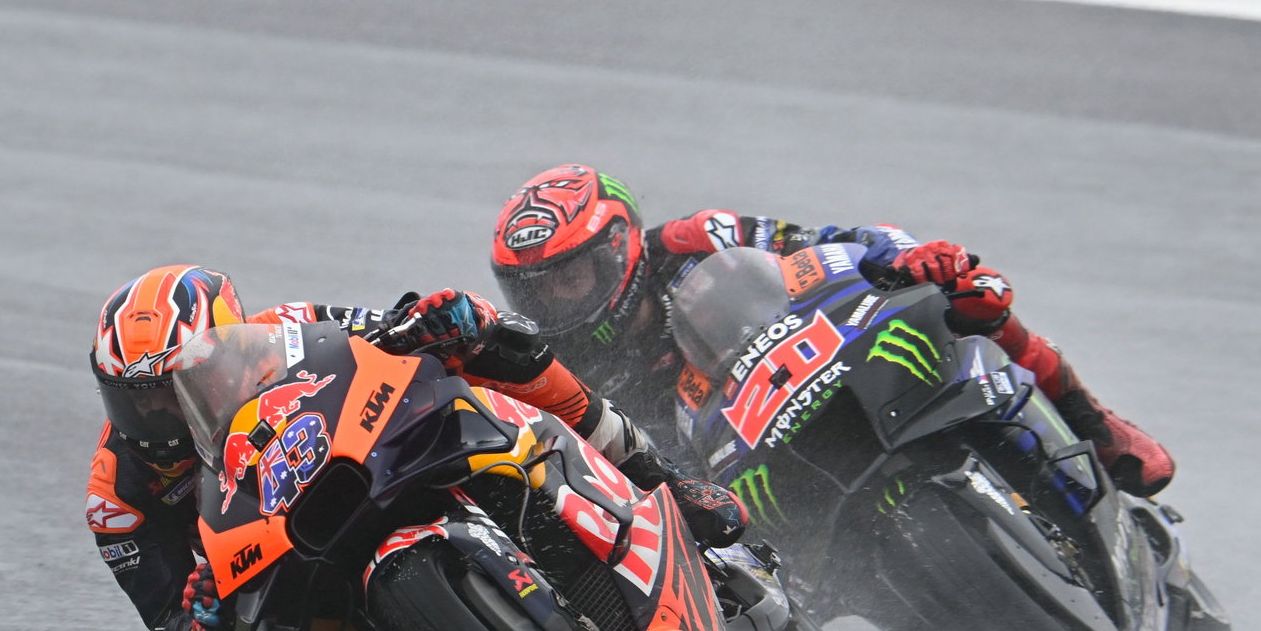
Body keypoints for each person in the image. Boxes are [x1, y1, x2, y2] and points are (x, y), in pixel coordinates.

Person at [85, 264, 744, 631]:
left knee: (492, 344)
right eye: (137, 406)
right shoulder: (118, 497)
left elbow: (397, 330)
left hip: (371, 465)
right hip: (275, 564)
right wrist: (201, 623)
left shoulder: (285, 330)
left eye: (175, 394)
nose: (160, 422)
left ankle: (656, 475)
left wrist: (436, 320)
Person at [488, 164, 1174, 498]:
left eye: (569, 279)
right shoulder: (554, 363)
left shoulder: (697, 238)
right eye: (536, 291)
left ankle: (1095, 420)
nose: (557, 303)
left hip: (802, 368)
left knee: (972, 295)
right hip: (726, 473)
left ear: (616, 250)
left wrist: (905, 259)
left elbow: (826, 245)